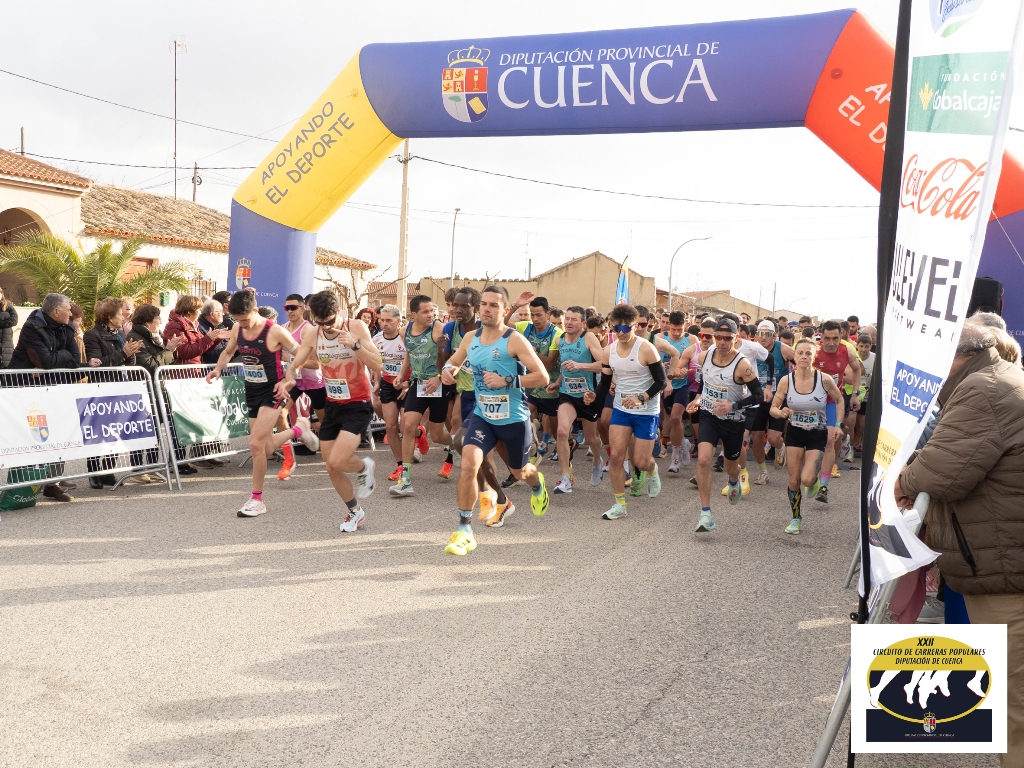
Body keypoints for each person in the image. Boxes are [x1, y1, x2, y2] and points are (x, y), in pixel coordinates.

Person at [895, 322, 1024, 768]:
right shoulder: (993, 379)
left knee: (1015, 710)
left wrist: (902, 481)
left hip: (1006, 569)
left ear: (953, 355)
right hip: (1001, 559)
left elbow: (942, 472)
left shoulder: (982, 390)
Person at [439, 285, 550, 555]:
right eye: (484, 304)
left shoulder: (514, 340)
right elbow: (452, 361)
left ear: (504, 310)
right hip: (483, 415)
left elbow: (543, 377)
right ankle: (464, 530)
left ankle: (537, 484)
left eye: (493, 305)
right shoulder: (470, 338)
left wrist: (507, 380)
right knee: (468, 463)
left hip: (513, 417)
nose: (487, 309)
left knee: (519, 472)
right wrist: (447, 371)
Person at [275, 290, 382, 532]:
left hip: (357, 403)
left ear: (339, 313)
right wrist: (289, 377)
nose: (326, 328)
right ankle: (355, 512)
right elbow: (297, 362)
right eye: (320, 323)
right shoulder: (314, 332)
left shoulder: (355, 327)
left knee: (339, 459)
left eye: (329, 322)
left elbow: (378, 364)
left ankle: (365, 467)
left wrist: (355, 345)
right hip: (333, 403)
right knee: (331, 466)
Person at [206, 290, 319, 517]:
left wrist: (290, 376)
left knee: (255, 445)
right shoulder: (238, 328)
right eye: (238, 320)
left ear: (255, 311)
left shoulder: (275, 331)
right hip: (252, 390)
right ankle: (299, 430)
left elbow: (306, 357)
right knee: (265, 447)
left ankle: (257, 499)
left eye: (245, 319)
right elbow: (228, 352)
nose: (242, 325)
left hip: (273, 391)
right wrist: (218, 369)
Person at [9, 293, 102, 502]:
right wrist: (63, 358)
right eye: (68, 309)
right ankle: (20, 486)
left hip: (54, 388)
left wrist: (60, 359)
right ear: (56, 311)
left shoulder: (67, 327)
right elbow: (48, 361)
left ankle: (53, 484)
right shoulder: (33, 327)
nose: (71, 312)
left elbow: (74, 362)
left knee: (57, 435)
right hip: (25, 390)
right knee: (28, 437)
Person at [686, 317, 763, 533]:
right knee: (703, 461)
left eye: (727, 338)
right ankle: (705, 513)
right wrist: (698, 399)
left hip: (733, 421)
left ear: (735, 338)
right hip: (709, 416)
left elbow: (758, 395)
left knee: (731, 465)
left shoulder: (742, 364)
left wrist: (733, 405)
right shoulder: (706, 355)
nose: (721, 342)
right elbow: (705, 381)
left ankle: (733, 479)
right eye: (717, 337)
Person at [593, 304, 668, 519]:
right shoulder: (609, 351)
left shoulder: (646, 348)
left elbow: (661, 382)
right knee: (616, 457)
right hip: (621, 409)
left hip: (646, 410)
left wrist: (640, 398)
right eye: (616, 328)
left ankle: (651, 469)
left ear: (635, 327)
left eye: (625, 329)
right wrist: (594, 397)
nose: (621, 333)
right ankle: (620, 504)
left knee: (641, 462)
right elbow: (605, 383)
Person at [770, 338, 843, 534]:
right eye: (800, 353)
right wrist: (781, 412)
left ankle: (815, 481)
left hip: (816, 433)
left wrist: (837, 424)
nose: (803, 356)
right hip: (794, 432)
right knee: (794, 479)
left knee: (806, 479)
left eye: (808, 353)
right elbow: (773, 409)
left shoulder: (824, 379)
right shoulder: (787, 380)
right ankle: (795, 518)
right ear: (794, 356)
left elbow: (839, 400)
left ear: (814, 356)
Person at [390, 295, 455, 497]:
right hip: (418, 384)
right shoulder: (404, 331)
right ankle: (406, 480)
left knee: (437, 435)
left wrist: (438, 377)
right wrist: (401, 374)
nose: (431, 315)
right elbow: (410, 352)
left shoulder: (439, 329)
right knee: (407, 426)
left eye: (432, 311)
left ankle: (456, 443)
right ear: (414, 314)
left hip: (439, 385)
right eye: (426, 312)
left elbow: (452, 357)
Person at [547, 305, 605, 492]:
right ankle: (565, 478)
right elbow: (566, 368)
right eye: (567, 319)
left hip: (588, 395)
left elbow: (604, 365)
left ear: (583, 322)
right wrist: (557, 382)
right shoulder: (560, 340)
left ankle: (597, 461)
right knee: (563, 432)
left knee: (591, 438)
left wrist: (580, 365)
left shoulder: (588, 338)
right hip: (567, 394)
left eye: (574, 319)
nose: (569, 322)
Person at [813, 319, 862, 503]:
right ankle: (811, 474)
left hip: (833, 402)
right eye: (827, 338)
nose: (832, 343)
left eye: (835, 338)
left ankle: (824, 486)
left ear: (841, 335)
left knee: (830, 441)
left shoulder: (847, 350)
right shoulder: (813, 351)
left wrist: (855, 394)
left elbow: (857, 370)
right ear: (822, 337)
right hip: (812, 403)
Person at [748, 319, 793, 485]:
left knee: (773, 438)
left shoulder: (783, 349)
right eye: (760, 334)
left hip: (778, 399)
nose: (763, 338)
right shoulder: (751, 348)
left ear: (774, 335)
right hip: (758, 398)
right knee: (757, 437)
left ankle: (780, 447)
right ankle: (763, 472)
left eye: (767, 335)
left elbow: (803, 366)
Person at [518, 296, 563, 459]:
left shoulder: (556, 333)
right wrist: (516, 306)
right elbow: (501, 326)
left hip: (552, 388)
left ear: (548, 314)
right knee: (524, 415)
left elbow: (550, 365)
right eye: (532, 314)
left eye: (539, 315)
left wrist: (532, 351)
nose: (535, 319)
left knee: (559, 431)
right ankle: (532, 447)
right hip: (534, 385)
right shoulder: (526, 327)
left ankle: (563, 449)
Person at [371, 304, 412, 482]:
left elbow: (416, 362)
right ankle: (400, 466)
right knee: (391, 427)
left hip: (406, 385)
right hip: (388, 384)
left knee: (405, 427)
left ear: (398, 320)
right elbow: (376, 364)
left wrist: (408, 384)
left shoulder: (406, 338)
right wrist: (377, 383)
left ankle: (419, 434)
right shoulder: (376, 340)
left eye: (389, 320)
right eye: (381, 320)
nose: (384, 324)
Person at [164, 295, 230, 365]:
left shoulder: (193, 325)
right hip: (182, 372)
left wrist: (215, 338)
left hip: (193, 370)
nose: (200, 313)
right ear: (189, 311)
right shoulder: (175, 326)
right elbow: (184, 352)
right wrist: (208, 338)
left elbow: (203, 349)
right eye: (198, 310)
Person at [198, 299, 232, 365]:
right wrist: (231, 349)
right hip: (209, 369)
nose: (223, 314)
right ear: (212, 314)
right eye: (221, 311)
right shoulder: (200, 328)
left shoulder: (220, 326)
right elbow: (207, 357)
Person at [0, 285, 18, 368]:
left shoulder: (8, 306)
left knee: (6, 371)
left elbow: (14, 320)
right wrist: (5, 319)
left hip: (6, 343)